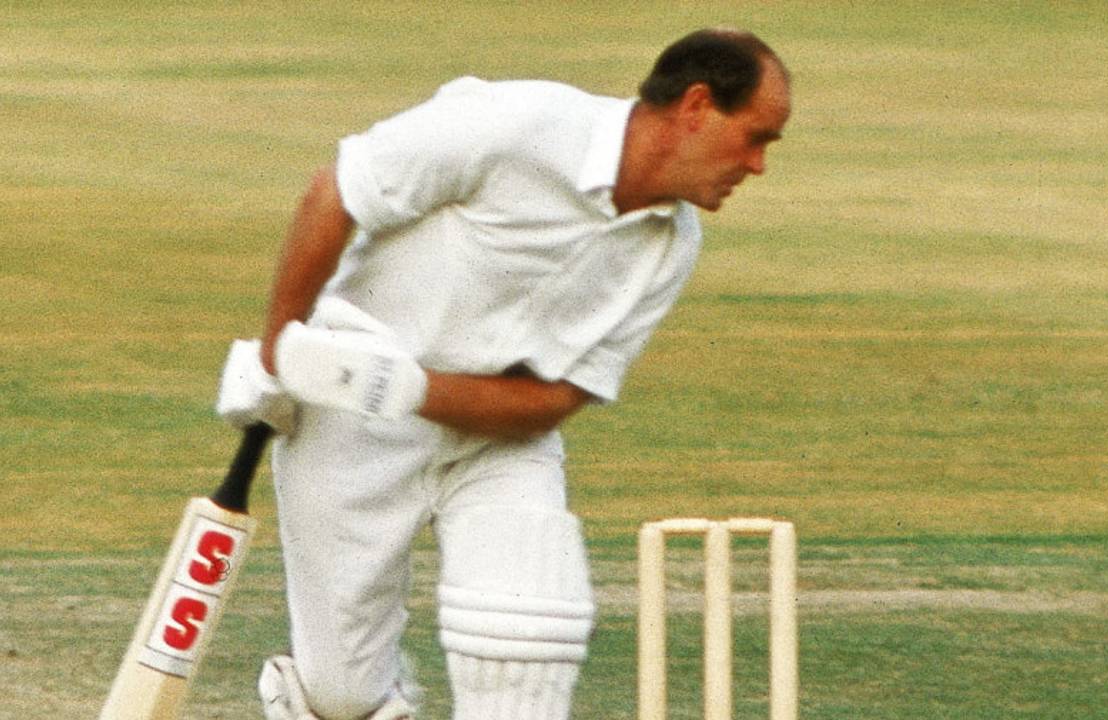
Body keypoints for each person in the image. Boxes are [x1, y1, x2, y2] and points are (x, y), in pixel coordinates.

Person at [216, 27, 790, 720]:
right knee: (343, 701)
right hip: (349, 426)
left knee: (526, 634)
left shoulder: (670, 246)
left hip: (496, 441)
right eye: (756, 137)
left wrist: (411, 389)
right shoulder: (521, 124)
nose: (757, 166)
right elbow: (340, 190)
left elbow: (551, 402)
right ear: (696, 106)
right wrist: (282, 354)